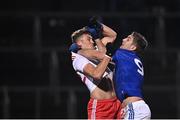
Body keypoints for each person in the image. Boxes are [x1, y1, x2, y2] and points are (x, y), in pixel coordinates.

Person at [69, 20, 121, 119]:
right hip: (101, 106)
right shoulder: (78, 58)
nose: (92, 41)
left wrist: (99, 25)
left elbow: (112, 35)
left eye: (92, 38)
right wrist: (106, 54)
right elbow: (96, 74)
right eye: (89, 39)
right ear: (80, 43)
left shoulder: (97, 49)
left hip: (116, 102)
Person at [112, 31, 151, 119]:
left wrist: (80, 52)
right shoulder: (133, 58)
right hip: (137, 107)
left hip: (134, 108)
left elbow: (101, 57)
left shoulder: (123, 54)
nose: (123, 39)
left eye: (128, 39)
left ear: (133, 47)